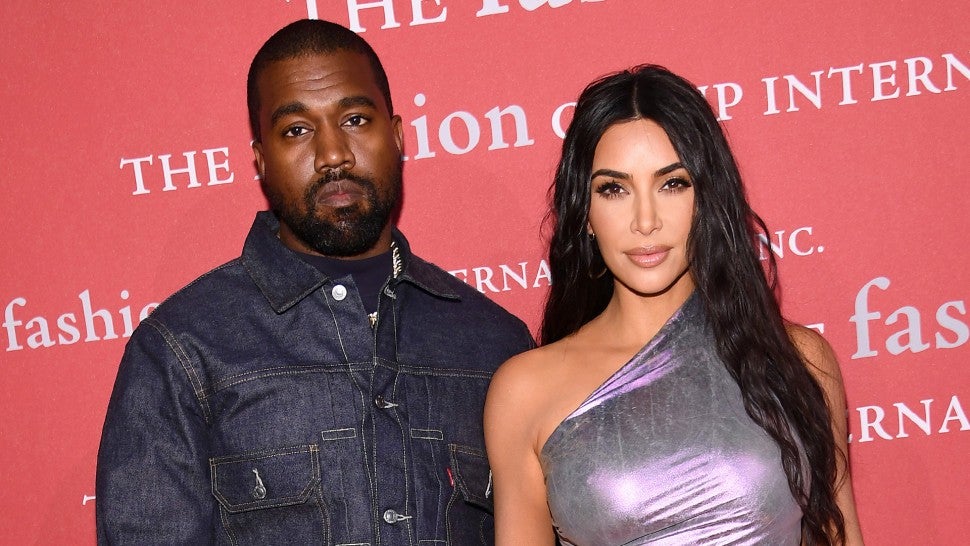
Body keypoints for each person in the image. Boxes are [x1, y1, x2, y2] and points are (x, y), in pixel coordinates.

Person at [96, 19, 533, 545]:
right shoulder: (183, 350)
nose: (332, 155)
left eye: (355, 119)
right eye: (297, 130)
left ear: (397, 136)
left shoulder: (496, 346)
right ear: (261, 159)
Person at [484, 65, 864, 545]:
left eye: (672, 184)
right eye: (614, 189)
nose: (646, 221)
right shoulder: (525, 392)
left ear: (707, 198)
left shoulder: (799, 362)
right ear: (585, 214)